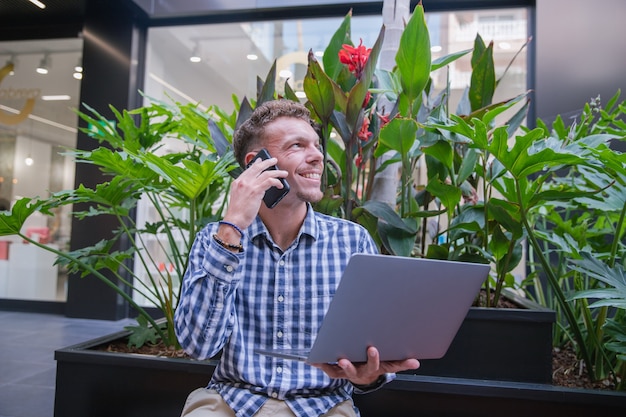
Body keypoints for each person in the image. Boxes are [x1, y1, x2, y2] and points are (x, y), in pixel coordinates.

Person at [174, 99, 420, 417]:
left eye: (316, 145)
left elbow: (374, 345)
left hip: (323, 405)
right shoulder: (216, 240)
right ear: (256, 164)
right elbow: (198, 346)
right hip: (232, 401)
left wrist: (369, 375)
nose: (317, 155)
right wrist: (232, 229)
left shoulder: (352, 242)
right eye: (297, 145)